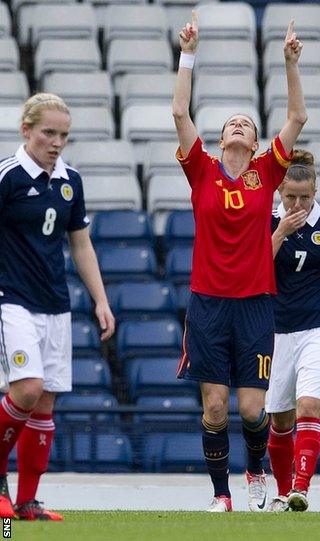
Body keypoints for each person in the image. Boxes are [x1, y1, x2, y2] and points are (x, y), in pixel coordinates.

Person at [172, 11, 307, 512]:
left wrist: (290, 63)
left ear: (253, 144)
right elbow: (180, 114)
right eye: (231, 121)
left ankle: (255, 473)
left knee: (252, 410)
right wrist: (188, 53)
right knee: (213, 407)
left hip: (254, 304)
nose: (237, 124)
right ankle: (221, 496)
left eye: (245, 124)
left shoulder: (267, 173)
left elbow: (296, 119)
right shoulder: (202, 171)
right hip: (208, 303)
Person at [0, 93, 115, 520]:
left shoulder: (70, 180)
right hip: (12, 299)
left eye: (64, 134)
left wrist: (101, 300)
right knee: (26, 389)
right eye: (49, 132)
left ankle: (26, 502)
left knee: (45, 403)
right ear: (26, 129)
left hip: (55, 303)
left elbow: (80, 243)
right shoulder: (8, 177)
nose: (56, 142)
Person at [266, 149, 320, 513]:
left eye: (305, 197)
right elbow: (253, 269)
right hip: (275, 331)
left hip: (315, 328)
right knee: (279, 417)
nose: (298, 203)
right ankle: (284, 493)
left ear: (315, 192)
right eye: (290, 197)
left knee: (309, 405)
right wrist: (282, 232)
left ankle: (301, 488)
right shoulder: (268, 220)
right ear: (280, 192)